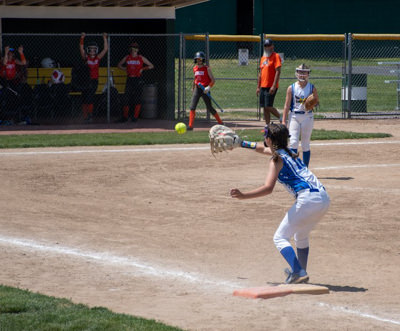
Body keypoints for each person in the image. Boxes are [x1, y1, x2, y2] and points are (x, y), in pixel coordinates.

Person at [230, 123, 330, 284]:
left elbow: (268, 188)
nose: (264, 139)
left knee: (280, 237)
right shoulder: (290, 152)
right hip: (323, 198)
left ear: (269, 139)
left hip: (308, 200)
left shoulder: (276, 160)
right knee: (301, 235)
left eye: (265, 136)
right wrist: (242, 143)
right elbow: (262, 149)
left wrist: (243, 196)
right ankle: (301, 272)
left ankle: (298, 271)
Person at [282, 64, 319, 167]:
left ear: (308, 74)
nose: (302, 74)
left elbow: (317, 101)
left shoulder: (312, 88)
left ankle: (305, 169)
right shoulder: (291, 88)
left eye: (304, 72)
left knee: (305, 143)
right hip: (294, 116)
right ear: (296, 73)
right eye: (300, 72)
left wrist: (313, 103)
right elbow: (286, 105)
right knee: (293, 142)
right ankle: (294, 167)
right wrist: (284, 121)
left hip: (307, 116)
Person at [117, 42, 154, 122]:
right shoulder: (127, 57)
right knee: (126, 97)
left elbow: (151, 66)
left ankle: (135, 117)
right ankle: (125, 117)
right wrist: (126, 69)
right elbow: (119, 65)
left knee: (137, 98)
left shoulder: (140, 58)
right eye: (133, 48)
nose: (134, 50)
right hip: (130, 78)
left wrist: (142, 69)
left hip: (137, 79)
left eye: (136, 48)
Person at [188, 51, 223, 130]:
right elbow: (195, 79)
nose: (199, 61)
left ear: (203, 60)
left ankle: (220, 122)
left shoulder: (207, 68)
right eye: (197, 60)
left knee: (210, 107)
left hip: (205, 89)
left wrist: (208, 87)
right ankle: (190, 126)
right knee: (192, 107)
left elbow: (213, 80)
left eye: (200, 59)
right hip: (198, 89)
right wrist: (193, 87)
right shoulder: (195, 68)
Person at [79, 32, 108, 123]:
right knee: (84, 98)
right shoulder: (86, 58)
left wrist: (104, 38)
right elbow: (81, 48)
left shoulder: (97, 58)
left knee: (90, 98)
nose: (92, 51)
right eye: (90, 49)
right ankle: (85, 116)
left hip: (94, 81)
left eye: (94, 49)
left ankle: (90, 115)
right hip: (85, 80)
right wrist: (82, 38)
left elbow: (105, 49)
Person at [256, 39, 282, 124]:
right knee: (264, 107)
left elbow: (278, 71)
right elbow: (260, 73)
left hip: (271, 85)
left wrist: (274, 86)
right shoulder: (263, 58)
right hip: (263, 85)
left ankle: (281, 117)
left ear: (272, 46)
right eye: (266, 46)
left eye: (269, 45)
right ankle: (267, 127)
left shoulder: (275, 56)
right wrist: (258, 87)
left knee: (268, 106)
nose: (267, 47)